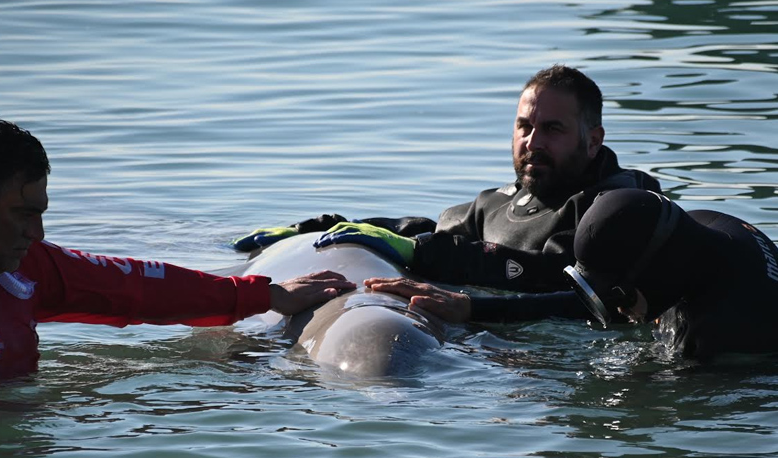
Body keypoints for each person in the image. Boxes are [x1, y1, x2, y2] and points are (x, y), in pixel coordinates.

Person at [0, 116, 355, 381]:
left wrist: (264, 294)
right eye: (23, 214)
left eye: (40, 214)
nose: (38, 233)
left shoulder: (25, 270)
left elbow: (136, 288)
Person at [236, 65, 662, 292]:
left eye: (553, 129)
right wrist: (323, 228)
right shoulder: (499, 202)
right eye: (523, 127)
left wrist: (419, 253)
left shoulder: (617, 203)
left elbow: (556, 275)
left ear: (593, 140)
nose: (532, 142)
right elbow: (434, 232)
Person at [364, 189, 778, 358]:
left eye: (620, 293)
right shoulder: (694, 233)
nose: (618, 307)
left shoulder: (721, 333)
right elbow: (599, 301)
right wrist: (474, 308)